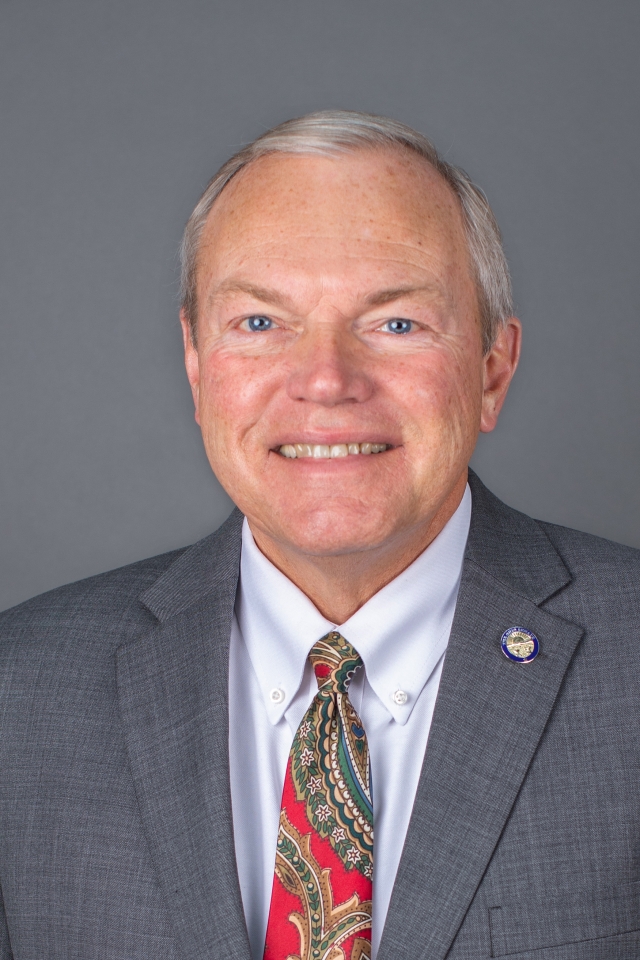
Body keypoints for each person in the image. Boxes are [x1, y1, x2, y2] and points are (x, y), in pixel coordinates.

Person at [1, 110, 639, 960]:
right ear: (196, 366)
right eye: (260, 323)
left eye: (397, 323)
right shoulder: (21, 693)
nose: (327, 381)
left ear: (493, 368)